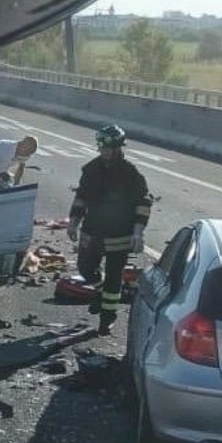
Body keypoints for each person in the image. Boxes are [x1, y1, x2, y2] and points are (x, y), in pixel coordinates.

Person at [67, 125, 152, 334]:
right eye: (101, 147)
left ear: (118, 149)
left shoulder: (130, 173)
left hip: (119, 235)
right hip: (92, 230)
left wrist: (138, 231)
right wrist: (73, 222)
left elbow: (143, 203)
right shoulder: (91, 170)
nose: (103, 151)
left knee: (115, 279)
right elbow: (81, 198)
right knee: (85, 268)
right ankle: (99, 290)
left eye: (108, 148)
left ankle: (107, 320)